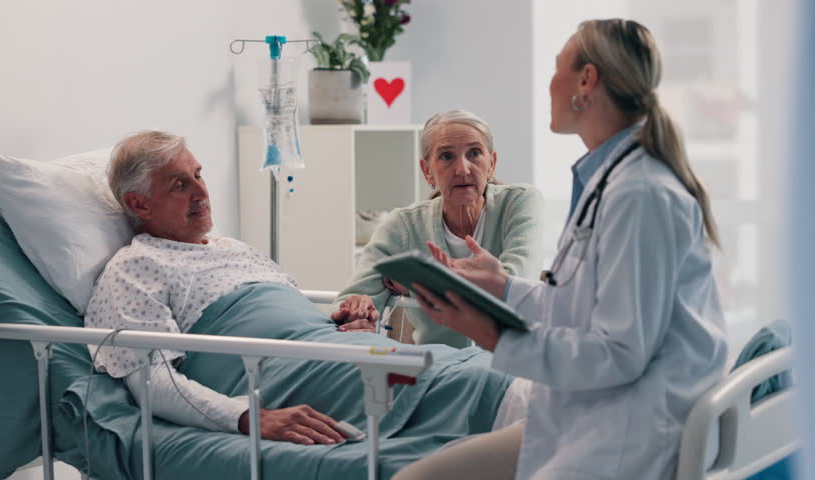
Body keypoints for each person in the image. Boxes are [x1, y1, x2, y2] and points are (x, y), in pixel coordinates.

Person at [395, 19, 728, 480]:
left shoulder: (639, 194)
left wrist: (494, 336)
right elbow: (584, 307)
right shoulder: (609, 181)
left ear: (586, 81)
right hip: (597, 412)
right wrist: (504, 286)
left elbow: (618, 353)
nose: (550, 83)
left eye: (557, 69)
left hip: (630, 430)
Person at [85, 130, 510, 454]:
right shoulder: (135, 267)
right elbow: (153, 383)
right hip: (285, 374)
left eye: (198, 175)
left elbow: (291, 324)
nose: (202, 192)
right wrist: (248, 416)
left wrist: (345, 323)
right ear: (139, 204)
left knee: (482, 368)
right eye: (180, 185)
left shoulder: (232, 248)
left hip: (329, 350)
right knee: (476, 384)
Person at [333, 110, 543, 348]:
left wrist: (419, 286)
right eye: (446, 156)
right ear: (427, 171)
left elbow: (514, 288)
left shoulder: (520, 201)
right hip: (437, 362)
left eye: (474, 153)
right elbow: (353, 297)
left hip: (510, 359)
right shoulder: (403, 224)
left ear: (491, 164)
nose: (462, 169)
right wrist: (356, 312)